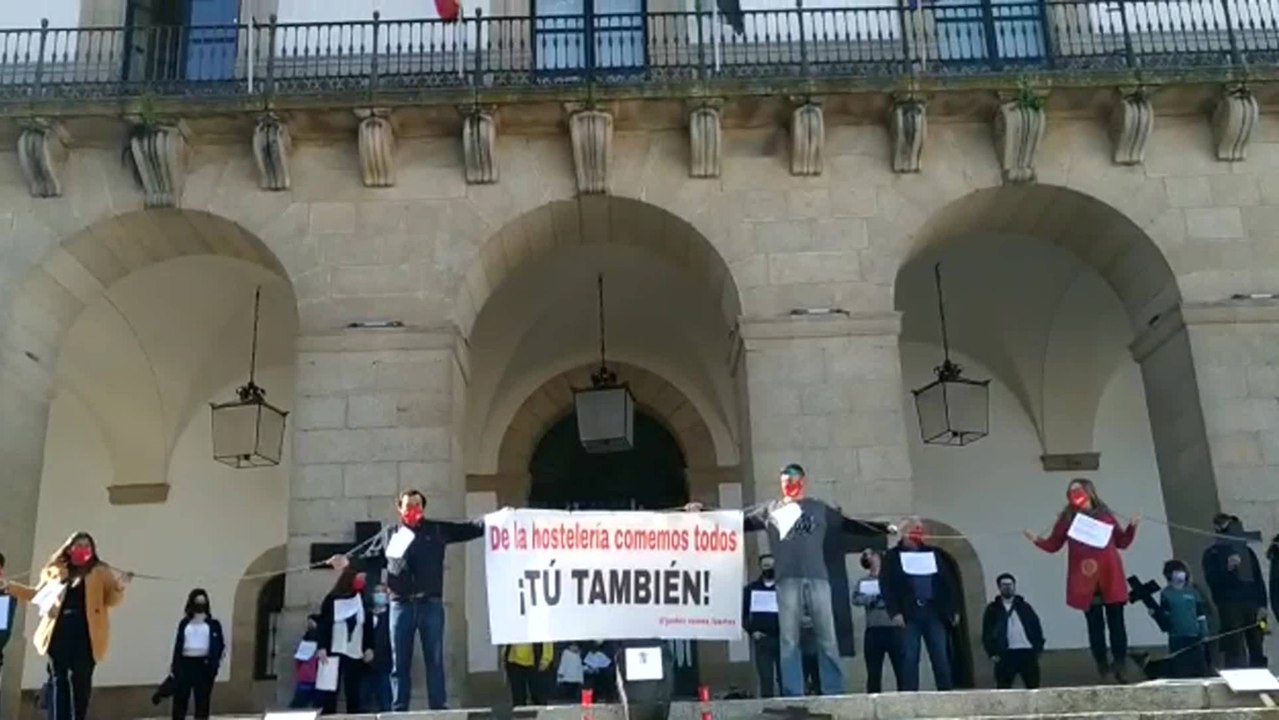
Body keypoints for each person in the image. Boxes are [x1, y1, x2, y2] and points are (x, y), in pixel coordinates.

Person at [731, 463, 888, 697]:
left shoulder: (818, 508)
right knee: (789, 640)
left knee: (827, 636)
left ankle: (833, 690)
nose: (790, 486)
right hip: (786, 581)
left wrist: (884, 528)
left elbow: (849, 524)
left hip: (818, 578)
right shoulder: (770, 509)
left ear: (803, 481)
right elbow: (737, 520)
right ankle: (793, 691)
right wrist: (702, 513)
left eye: (794, 481)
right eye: (786, 482)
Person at [330, 489, 485, 711]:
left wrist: (496, 521)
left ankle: (438, 707)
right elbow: (367, 554)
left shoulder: (436, 530)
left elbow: (468, 529)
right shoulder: (390, 534)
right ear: (399, 508)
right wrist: (346, 560)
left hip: (430, 604)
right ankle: (399, 708)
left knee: (434, 658)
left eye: (418, 505)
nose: (414, 510)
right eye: (409, 505)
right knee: (399, 661)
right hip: (400, 605)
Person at [0, 532, 131, 720]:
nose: (83, 550)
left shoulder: (100, 571)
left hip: (87, 635)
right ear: (69, 549)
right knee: (59, 680)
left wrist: (120, 586)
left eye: (87, 546)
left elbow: (111, 600)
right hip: (58, 632)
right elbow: (37, 595)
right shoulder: (55, 571)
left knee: (81, 682)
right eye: (78, 545)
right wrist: (9, 586)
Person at [1026, 478, 1138, 683]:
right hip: (1086, 580)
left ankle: (1120, 663)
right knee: (1095, 626)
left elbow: (1121, 542)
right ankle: (1102, 665)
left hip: (1110, 576)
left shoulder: (1105, 516)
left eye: (1078, 491)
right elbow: (1053, 545)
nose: (1074, 495)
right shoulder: (1067, 520)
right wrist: (1036, 540)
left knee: (1117, 623)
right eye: (1071, 492)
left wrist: (1132, 528)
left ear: (1089, 492)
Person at [881, 518, 958, 692]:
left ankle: (947, 693)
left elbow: (947, 583)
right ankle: (909, 695)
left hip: (933, 611)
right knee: (909, 657)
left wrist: (953, 609)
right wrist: (894, 612)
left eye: (920, 529)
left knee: (940, 655)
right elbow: (886, 586)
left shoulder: (932, 553)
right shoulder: (892, 557)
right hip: (908, 613)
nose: (918, 531)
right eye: (915, 528)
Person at [1201, 514, 1267, 669]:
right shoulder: (1212, 553)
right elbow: (1212, 580)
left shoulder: (1247, 552)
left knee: (1257, 641)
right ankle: (1237, 674)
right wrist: (1227, 569)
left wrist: (1263, 604)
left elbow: (1258, 580)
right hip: (1229, 604)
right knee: (1234, 645)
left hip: (1252, 603)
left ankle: (1260, 675)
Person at [315, 568, 374, 715]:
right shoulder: (332, 599)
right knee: (331, 689)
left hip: (354, 650)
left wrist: (369, 647)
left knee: (353, 689)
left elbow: (367, 626)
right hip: (334, 648)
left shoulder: (363, 599)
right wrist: (322, 646)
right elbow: (323, 624)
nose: (362, 582)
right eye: (359, 578)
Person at [980, 573, 1044, 689]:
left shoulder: (1024, 607)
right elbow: (987, 632)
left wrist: (1038, 647)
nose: (1007, 587)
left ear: (1014, 586)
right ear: (999, 588)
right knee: (1004, 688)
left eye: (1010, 584)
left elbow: (1036, 627)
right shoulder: (993, 609)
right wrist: (992, 652)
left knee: (1033, 686)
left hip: (1027, 651)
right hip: (1005, 653)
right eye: (1004, 585)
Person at [168, 588, 225, 720]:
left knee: (202, 701)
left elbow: (220, 645)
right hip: (185, 663)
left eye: (203, 602)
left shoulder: (213, 624)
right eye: (197, 602)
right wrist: (174, 666)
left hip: (204, 665)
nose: (200, 605)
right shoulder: (185, 623)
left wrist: (215, 664)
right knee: (180, 700)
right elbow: (178, 645)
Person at [853, 549, 901, 693]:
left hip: (893, 628)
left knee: (901, 669)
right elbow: (856, 599)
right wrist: (873, 599)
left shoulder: (891, 580)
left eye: (871, 554)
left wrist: (885, 600)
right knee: (873, 671)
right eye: (866, 555)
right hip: (873, 629)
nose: (869, 556)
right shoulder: (863, 582)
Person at [1155, 560, 1210, 678]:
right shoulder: (1166, 593)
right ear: (1169, 574)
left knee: (1200, 669)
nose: (1180, 574)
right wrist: (1157, 615)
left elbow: (1200, 614)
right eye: (1176, 571)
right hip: (1177, 637)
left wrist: (1204, 632)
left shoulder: (1193, 592)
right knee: (1180, 669)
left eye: (1182, 571)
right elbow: (1165, 616)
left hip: (1195, 636)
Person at [741, 554, 781, 697]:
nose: (768, 569)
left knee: (785, 677)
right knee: (766, 677)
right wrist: (752, 631)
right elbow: (742, 614)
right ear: (760, 568)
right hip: (762, 639)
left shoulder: (782, 587)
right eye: (765, 566)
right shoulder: (751, 589)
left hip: (783, 638)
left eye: (771, 566)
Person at [362, 583, 393, 712]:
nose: (379, 595)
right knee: (362, 704)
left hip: (385, 665)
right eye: (377, 592)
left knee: (386, 703)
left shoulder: (392, 615)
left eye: (382, 592)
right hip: (366, 666)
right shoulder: (366, 614)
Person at [289, 614, 323, 709]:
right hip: (308, 677)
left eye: (311, 623)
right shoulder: (311, 637)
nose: (309, 625)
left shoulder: (316, 638)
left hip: (309, 677)